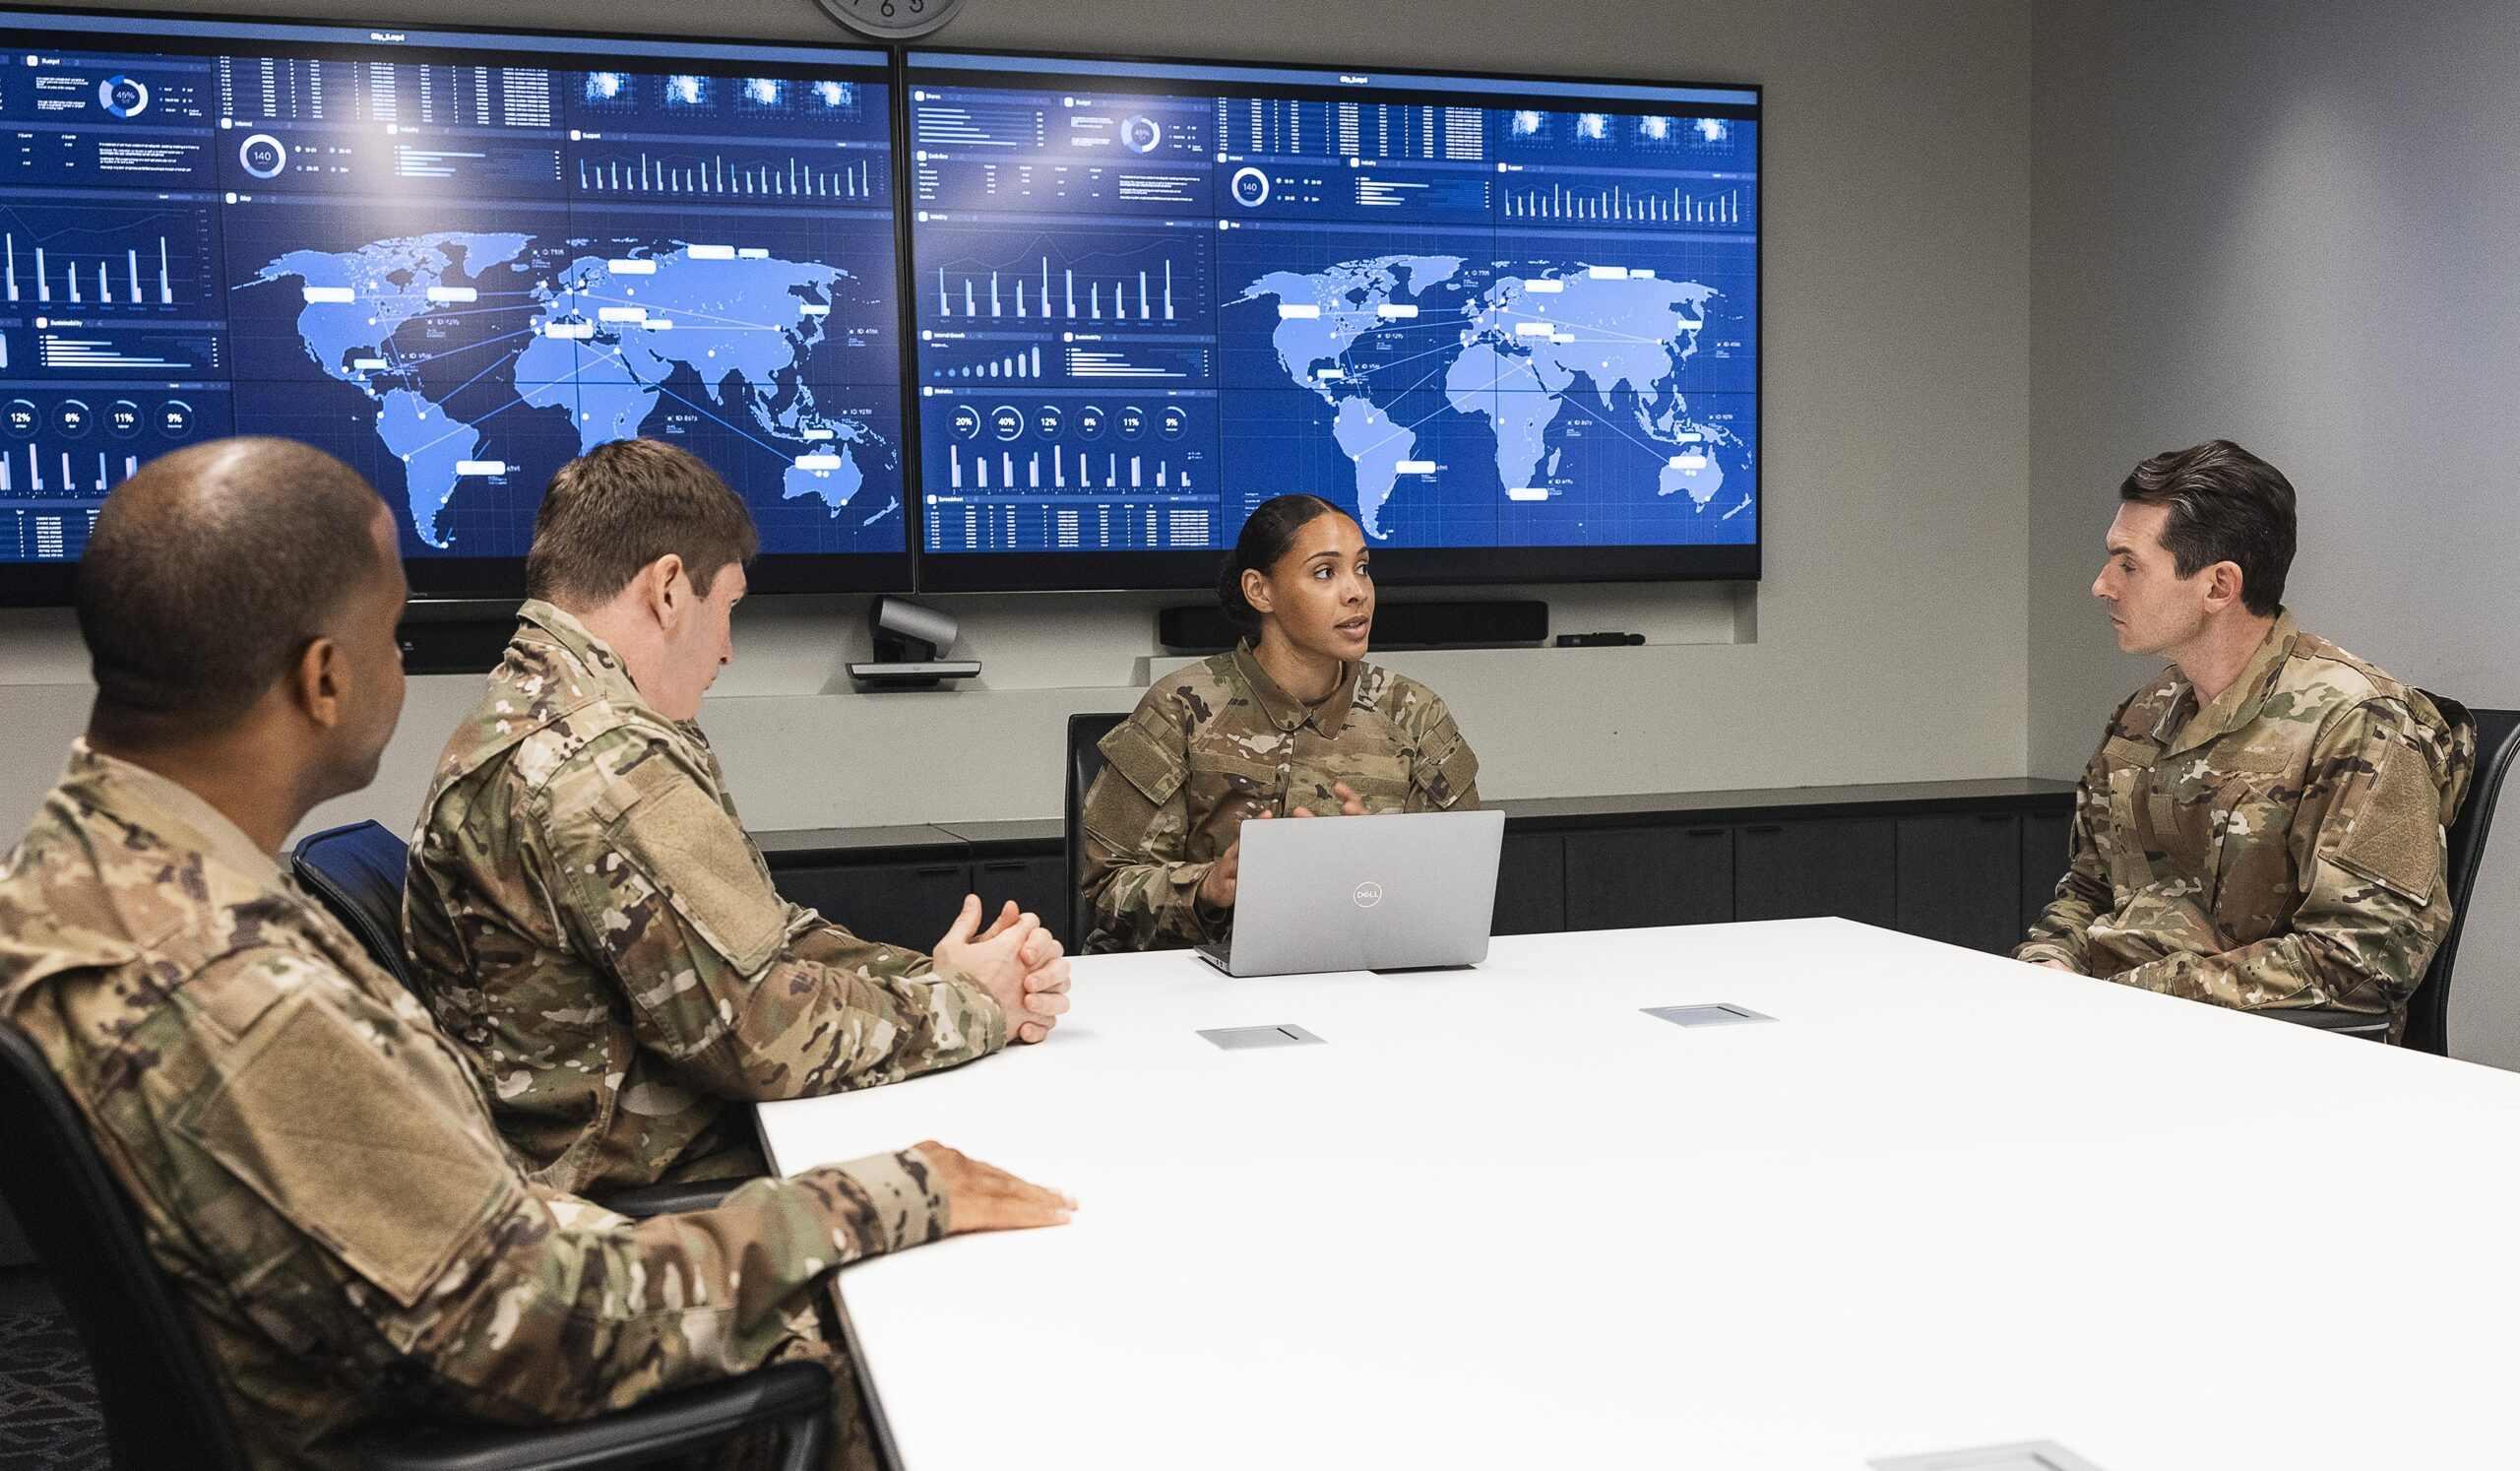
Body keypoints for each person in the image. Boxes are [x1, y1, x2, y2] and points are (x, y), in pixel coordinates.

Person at [0, 438, 1071, 1471]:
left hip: (414, 1349)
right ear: (323, 678)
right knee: (943, 1346)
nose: (405, 668)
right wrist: (892, 1195)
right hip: (457, 1415)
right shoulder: (233, 984)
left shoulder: (88, 877)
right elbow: (527, 1317)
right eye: (391, 637)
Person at [405, 439, 1067, 1195]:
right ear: (667, 590)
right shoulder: (600, 759)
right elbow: (760, 1036)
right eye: (728, 609)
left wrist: (933, 975)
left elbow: (763, 938)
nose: (727, 649)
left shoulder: (556, 711)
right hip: (650, 1197)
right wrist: (973, 1005)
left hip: (660, 1145)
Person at [2017, 439, 2475, 1033]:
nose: (2102, 585)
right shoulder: (2144, 713)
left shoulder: (2357, 724)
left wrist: (2127, 992)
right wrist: (2048, 965)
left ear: (2219, 586)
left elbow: (2360, 963)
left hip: (2266, 1057)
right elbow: (2088, 889)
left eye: (2129, 564)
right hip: (2124, 1029)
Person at [1080, 493, 1480, 953]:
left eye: (1363, 568)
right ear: (1260, 590)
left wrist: (1383, 867)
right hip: (1195, 988)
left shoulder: (1414, 714)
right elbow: (1107, 891)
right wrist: (1210, 887)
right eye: (1325, 572)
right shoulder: (1181, 708)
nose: (1357, 592)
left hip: (1356, 980)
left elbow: (1460, 895)